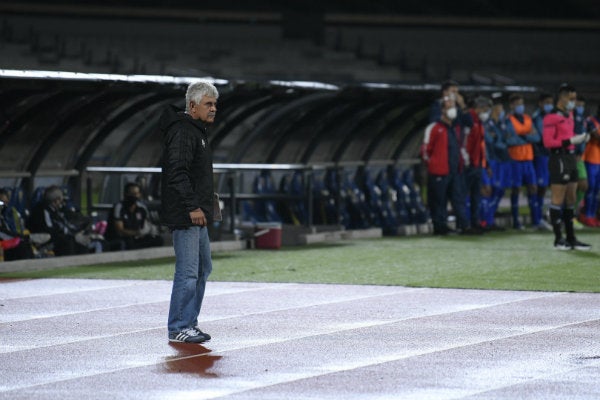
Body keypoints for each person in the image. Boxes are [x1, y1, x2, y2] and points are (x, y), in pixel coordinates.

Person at [160, 81, 218, 343]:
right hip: (187, 214)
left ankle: (188, 322)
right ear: (192, 106)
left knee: (203, 267)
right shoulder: (183, 131)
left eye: (215, 104)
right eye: (208, 104)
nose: (214, 108)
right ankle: (179, 326)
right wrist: (192, 206)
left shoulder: (197, 130)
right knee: (188, 270)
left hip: (198, 213)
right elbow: (177, 171)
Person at [542, 84, 591, 250]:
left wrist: (580, 138)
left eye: (574, 99)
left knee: (571, 198)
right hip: (559, 158)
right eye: (571, 99)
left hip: (571, 158)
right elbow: (548, 142)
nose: (573, 102)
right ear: (561, 98)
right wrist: (570, 141)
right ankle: (558, 239)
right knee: (558, 198)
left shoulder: (569, 114)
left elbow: (569, 136)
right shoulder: (551, 117)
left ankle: (571, 238)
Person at [423, 96, 470, 235]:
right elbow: (425, 150)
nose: (452, 110)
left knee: (457, 198)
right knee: (439, 201)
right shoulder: (434, 128)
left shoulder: (454, 128)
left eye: (453, 106)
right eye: (449, 107)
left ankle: (463, 226)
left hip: (454, 171)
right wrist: (433, 165)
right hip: (439, 171)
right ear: (442, 110)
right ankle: (440, 227)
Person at [29, 185, 103, 256]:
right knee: (68, 241)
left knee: (82, 242)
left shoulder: (57, 210)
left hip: (59, 237)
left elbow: (68, 222)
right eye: (60, 200)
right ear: (56, 201)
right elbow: (50, 229)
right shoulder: (42, 210)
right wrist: (67, 233)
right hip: (48, 240)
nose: (62, 202)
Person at [505, 93, 540, 229]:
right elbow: (509, 139)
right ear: (512, 105)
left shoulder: (528, 118)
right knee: (516, 189)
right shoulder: (508, 120)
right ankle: (516, 221)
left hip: (528, 159)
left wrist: (521, 136)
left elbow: (537, 137)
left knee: (533, 188)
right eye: (517, 104)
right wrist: (527, 136)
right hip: (515, 159)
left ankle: (535, 221)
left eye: (522, 103)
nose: (521, 106)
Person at [106, 182, 164, 250]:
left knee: (158, 240)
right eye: (131, 194)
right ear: (125, 194)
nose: (134, 196)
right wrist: (137, 233)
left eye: (136, 194)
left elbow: (146, 225)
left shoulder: (141, 208)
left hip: (137, 238)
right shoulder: (119, 207)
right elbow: (120, 230)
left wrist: (148, 230)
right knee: (125, 243)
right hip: (121, 238)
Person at [464, 96, 491, 231]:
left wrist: (485, 164)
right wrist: (466, 161)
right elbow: (465, 143)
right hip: (469, 164)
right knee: (465, 194)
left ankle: (475, 222)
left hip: (478, 164)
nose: (486, 113)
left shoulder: (478, 122)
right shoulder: (469, 120)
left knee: (476, 195)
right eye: (485, 109)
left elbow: (481, 146)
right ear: (478, 108)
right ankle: (465, 223)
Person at [483, 99, 511, 229]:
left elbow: (511, 137)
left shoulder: (503, 123)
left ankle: (490, 218)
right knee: (491, 190)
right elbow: (490, 141)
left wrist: (501, 140)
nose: (501, 112)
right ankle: (486, 220)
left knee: (500, 191)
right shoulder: (487, 124)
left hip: (503, 160)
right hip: (493, 160)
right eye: (498, 109)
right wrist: (502, 141)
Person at [531, 93, 554, 231]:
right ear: (540, 103)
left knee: (545, 188)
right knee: (539, 188)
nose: (549, 105)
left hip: (549, 155)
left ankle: (540, 218)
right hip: (540, 156)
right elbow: (542, 137)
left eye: (551, 102)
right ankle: (536, 219)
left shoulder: (552, 117)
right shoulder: (537, 117)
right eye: (546, 102)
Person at [580, 108, 600, 227]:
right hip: (590, 158)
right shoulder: (591, 121)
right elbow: (596, 136)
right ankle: (586, 215)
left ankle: (593, 215)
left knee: (597, 190)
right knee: (590, 188)